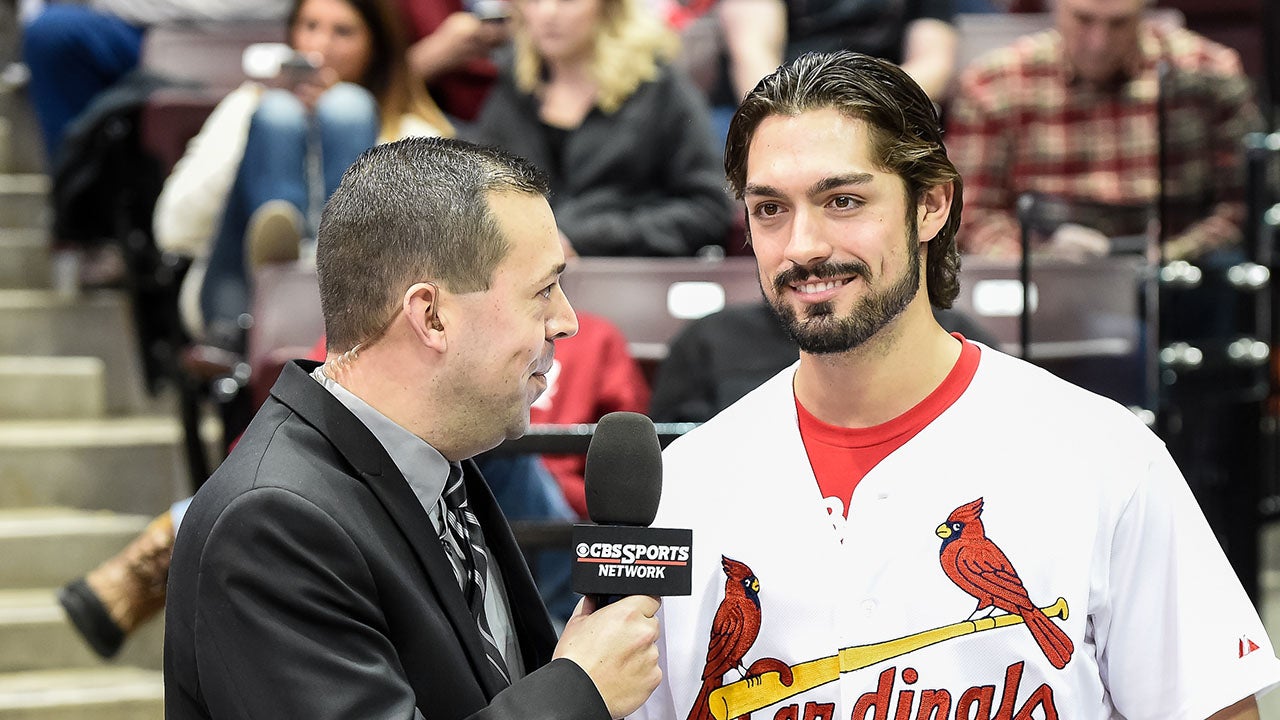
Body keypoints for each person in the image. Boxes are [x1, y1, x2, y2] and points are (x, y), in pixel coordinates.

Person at [631, 51, 1280, 720]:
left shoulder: (1103, 454)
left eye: (843, 200)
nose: (803, 245)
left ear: (931, 205)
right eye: (770, 209)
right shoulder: (684, 483)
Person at [165, 136, 661, 719]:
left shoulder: (443, 461)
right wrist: (580, 691)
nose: (567, 322)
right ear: (431, 316)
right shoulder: (270, 522)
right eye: (544, 291)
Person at [153, 0, 453, 364]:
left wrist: (352, 136)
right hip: (238, 298)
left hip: (365, 305)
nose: (319, 47)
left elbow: (437, 252)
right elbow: (173, 229)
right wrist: (253, 139)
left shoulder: (414, 133)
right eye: (309, 27)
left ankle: (323, 257)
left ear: (376, 46)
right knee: (278, 118)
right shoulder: (250, 106)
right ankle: (279, 237)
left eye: (342, 32)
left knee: (348, 108)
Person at [946, 0, 1262, 262]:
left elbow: (1242, 206)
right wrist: (1039, 257)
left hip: (1182, 276)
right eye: (1083, 20)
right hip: (1046, 281)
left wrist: (1171, 254)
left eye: (1118, 24)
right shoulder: (996, 84)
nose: (1098, 43)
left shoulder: (1207, 73)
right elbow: (969, 214)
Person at [464, 0, 732, 257]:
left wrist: (586, 238)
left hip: (628, 277)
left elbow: (709, 208)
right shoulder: (514, 87)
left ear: (608, 6)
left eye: (568, 1)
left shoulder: (659, 87)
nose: (548, 12)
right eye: (534, 0)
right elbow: (478, 197)